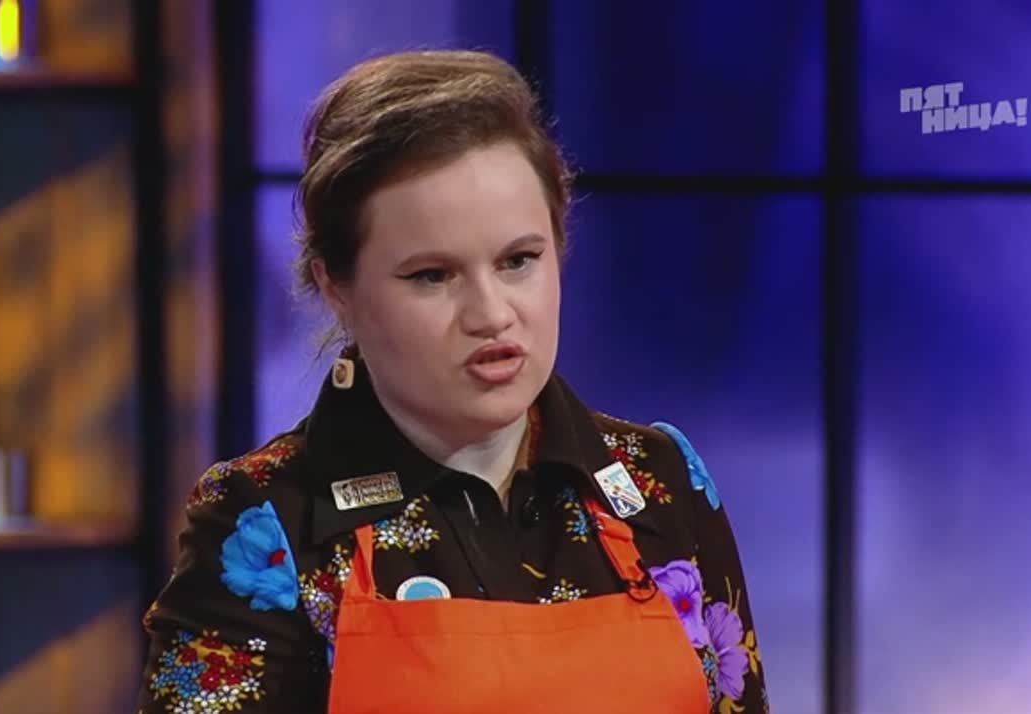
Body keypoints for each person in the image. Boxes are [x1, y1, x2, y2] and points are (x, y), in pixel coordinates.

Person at [137, 49, 769, 714]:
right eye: (432, 276)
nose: (491, 314)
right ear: (336, 286)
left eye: (518, 261)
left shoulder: (658, 483)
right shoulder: (266, 522)